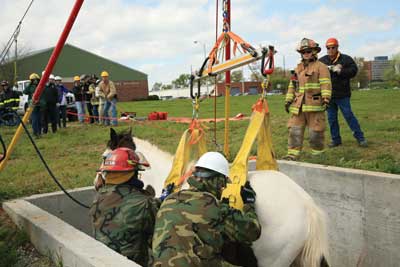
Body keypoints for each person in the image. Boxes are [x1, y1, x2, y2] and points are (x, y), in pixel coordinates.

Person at [152, 152, 261, 267]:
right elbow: (253, 232)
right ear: (218, 181)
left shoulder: (169, 200)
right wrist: (249, 204)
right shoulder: (215, 207)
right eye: (223, 185)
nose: (222, 189)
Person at [90, 147, 159, 267]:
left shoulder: (98, 197)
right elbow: (158, 233)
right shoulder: (144, 203)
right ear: (133, 174)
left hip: (101, 260)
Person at [283, 38, 332, 160]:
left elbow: (326, 84)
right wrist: (288, 100)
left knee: (316, 133)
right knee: (294, 130)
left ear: (314, 51)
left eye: (308, 51)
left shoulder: (321, 67)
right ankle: (292, 155)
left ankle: (318, 155)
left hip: (315, 106)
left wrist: (326, 98)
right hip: (298, 106)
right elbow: (292, 85)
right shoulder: (298, 68)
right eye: (303, 51)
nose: (306, 53)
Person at [319, 37, 367, 147]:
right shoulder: (322, 61)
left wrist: (341, 70)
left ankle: (360, 138)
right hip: (328, 95)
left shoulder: (346, 59)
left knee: (349, 115)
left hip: (343, 94)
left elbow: (354, 71)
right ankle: (336, 140)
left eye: (333, 47)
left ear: (337, 47)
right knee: (331, 119)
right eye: (328, 48)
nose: (330, 49)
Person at [24, 73, 43, 138]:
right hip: (32, 105)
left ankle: (39, 132)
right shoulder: (30, 87)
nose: (35, 81)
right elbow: (25, 92)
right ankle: (35, 133)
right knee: (34, 120)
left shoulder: (40, 86)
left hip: (39, 105)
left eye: (36, 79)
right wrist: (30, 84)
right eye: (33, 80)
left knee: (39, 120)